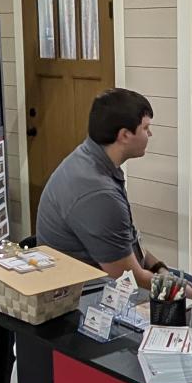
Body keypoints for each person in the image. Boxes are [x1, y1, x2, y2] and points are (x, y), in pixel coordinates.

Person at [35, 88, 165, 288]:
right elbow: (127, 279)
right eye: (145, 128)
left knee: (186, 282)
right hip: (87, 293)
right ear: (124, 135)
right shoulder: (98, 194)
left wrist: (160, 268)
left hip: (111, 274)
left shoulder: (91, 158)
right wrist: (180, 289)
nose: (150, 134)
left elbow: (129, 241)